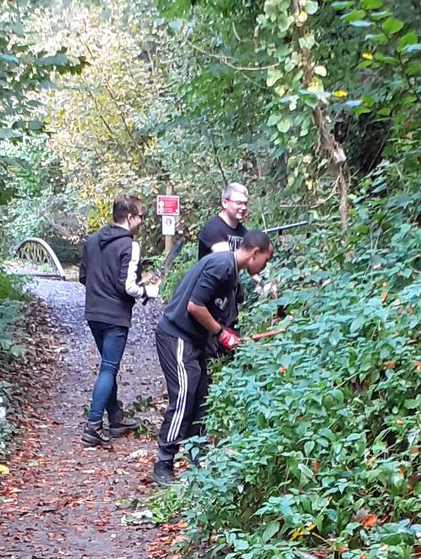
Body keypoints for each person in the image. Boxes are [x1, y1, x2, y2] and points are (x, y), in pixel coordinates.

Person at [153, 231, 274, 485]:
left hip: (195, 341)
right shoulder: (221, 265)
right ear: (255, 253)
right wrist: (221, 334)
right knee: (184, 395)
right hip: (177, 335)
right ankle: (164, 462)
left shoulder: (231, 274)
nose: (265, 265)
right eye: (266, 259)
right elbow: (194, 306)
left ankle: (197, 458)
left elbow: (217, 313)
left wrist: (229, 336)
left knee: (200, 398)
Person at [78, 194, 159, 448]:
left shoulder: (91, 241)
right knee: (109, 368)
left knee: (106, 365)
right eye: (141, 216)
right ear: (130, 217)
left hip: (93, 313)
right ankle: (92, 426)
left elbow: (83, 277)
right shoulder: (130, 245)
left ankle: (115, 419)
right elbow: (127, 286)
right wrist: (147, 292)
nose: (142, 221)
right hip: (115, 316)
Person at [197, 182, 250, 335]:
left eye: (245, 203)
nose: (243, 207)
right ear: (225, 203)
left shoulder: (243, 232)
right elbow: (227, 260)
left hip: (230, 298)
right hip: (209, 295)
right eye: (238, 203)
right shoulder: (213, 228)